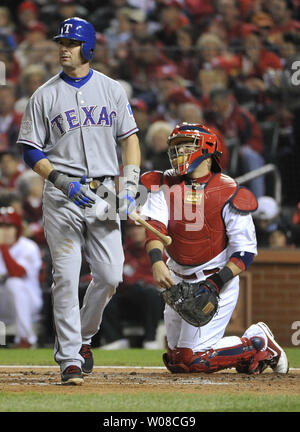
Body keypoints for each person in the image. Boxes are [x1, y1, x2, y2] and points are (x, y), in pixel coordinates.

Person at [17, 17, 141, 385]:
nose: (63, 49)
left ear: (88, 48)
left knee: (110, 275)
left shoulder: (111, 89)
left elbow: (130, 138)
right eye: (61, 43)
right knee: (66, 277)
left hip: (103, 189)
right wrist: (58, 179)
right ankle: (69, 358)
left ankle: (84, 337)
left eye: (71, 44)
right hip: (62, 192)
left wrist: (131, 186)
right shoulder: (44, 94)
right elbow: (29, 149)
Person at [140, 122, 288, 375]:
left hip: (215, 277)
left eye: (185, 147)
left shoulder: (229, 191)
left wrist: (215, 284)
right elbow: (155, 227)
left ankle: (257, 341)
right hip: (177, 278)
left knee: (195, 360)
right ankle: (247, 357)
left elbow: (244, 252)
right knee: (177, 361)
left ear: (207, 150)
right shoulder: (163, 183)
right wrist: (156, 261)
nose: (178, 154)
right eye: (175, 148)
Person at [99, 219, 164, 350]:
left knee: (150, 292)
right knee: (103, 293)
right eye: (131, 227)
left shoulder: (158, 250)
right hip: (127, 299)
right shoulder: (121, 250)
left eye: (139, 227)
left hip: (153, 302)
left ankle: (150, 340)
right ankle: (115, 339)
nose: (135, 231)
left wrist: (140, 281)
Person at [0, 206, 43, 348]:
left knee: (14, 283)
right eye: (1, 226)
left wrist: (3, 248)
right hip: (3, 304)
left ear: (17, 229)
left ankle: (26, 339)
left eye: (8, 226)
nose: (4, 231)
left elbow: (16, 272)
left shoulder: (28, 247)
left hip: (28, 303)